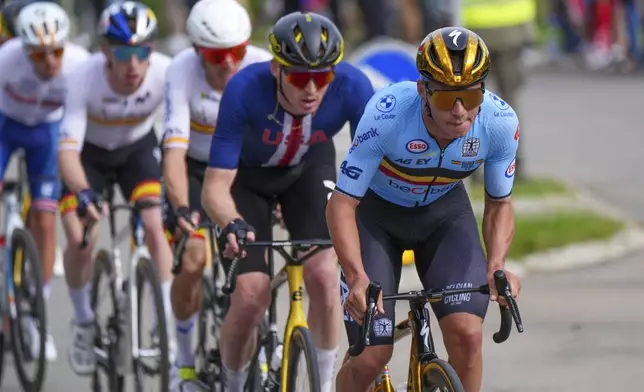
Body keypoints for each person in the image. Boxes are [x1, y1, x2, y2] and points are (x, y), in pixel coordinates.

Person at [327, 27, 523, 392]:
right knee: (372, 356)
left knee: (467, 335)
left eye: (470, 95)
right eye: (448, 99)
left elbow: (499, 203)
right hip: (376, 218)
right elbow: (343, 202)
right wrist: (356, 277)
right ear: (423, 91)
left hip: (444, 216)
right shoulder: (387, 115)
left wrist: (496, 264)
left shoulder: (499, 122)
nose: (460, 111)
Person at [202, 11, 374, 392]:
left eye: (322, 77)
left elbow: (379, 166)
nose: (311, 89)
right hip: (247, 180)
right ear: (276, 69)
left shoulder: (352, 86)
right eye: (299, 77)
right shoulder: (244, 88)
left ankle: (323, 383)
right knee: (250, 296)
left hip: (308, 170)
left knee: (326, 277)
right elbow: (214, 186)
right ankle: (230, 383)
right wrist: (230, 220)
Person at [57, 1, 174, 375]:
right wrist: (83, 193)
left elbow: (179, 137)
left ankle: (166, 324)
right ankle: (83, 321)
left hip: (136, 151)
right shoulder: (83, 78)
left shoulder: (165, 72)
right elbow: (67, 152)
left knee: (156, 226)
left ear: (151, 50)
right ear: (105, 50)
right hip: (88, 156)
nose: (133, 64)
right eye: (123, 53)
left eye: (142, 52)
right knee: (80, 238)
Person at [161, 0, 272, 390]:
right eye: (215, 55)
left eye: (236, 53)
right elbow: (172, 153)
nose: (228, 64)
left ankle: (264, 342)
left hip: (241, 172)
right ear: (196, 51)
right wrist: (181, 209)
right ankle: (185, 363)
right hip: (193, 169)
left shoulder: (261, 64)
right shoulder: (181, 71)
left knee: (267, 253)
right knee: (192, 258)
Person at [0, 0, 90, 362]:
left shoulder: (79, 64)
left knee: (43, 217)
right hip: (5, 126)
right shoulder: (6, 60)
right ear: (24, 48)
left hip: (47, 131)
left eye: (55, 51)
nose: (49, 61)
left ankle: (36, 315)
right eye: (38, 54)